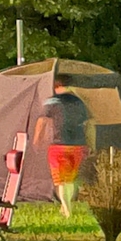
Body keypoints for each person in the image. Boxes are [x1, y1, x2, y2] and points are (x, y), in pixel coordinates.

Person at [34, 75, 88, 218]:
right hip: (78, 145)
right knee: (70, 180)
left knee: (61, 181)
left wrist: (37, 140)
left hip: (59, 146)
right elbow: (87, 124)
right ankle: (65, 207)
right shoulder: (79, 102)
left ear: (56, 86)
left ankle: (67, 209)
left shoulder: (52, 101)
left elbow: (42, 121)